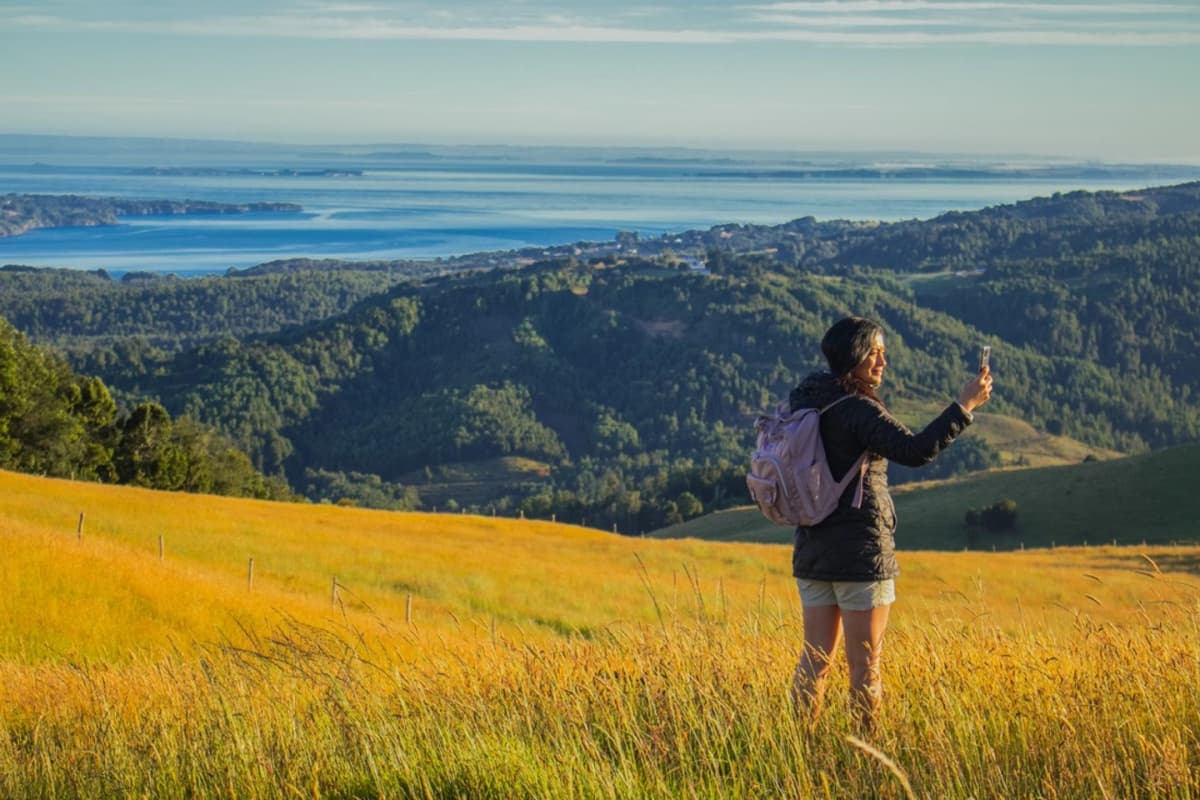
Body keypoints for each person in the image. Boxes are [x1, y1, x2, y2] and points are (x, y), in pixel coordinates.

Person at [789, 316, 992, 732]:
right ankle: (866, 757)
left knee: (815, 660)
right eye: (875, 351)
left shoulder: (807, 400)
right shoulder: (856, 409)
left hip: (811, 547)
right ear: (854, 357)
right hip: (862, 555)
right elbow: (915, 450)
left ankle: (798, 749)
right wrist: (965, 406)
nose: (883, 359)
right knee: (866, 666)